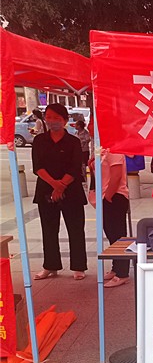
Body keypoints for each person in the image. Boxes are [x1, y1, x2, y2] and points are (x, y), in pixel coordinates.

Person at [32, 103, 88, 280]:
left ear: (64, 120)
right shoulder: (39, 140)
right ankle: (51, 265)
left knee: (76, 228)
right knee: (49, 229)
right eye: (48, 117)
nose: (52, 121)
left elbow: (75, 167)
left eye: (56, 118)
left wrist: (61, 185)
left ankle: (78, 267)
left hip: (71, 191)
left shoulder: (73, 141)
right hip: (45, 190)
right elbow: (37, 167)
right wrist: (54, 185)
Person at [91, 148, 131, 287]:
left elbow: (116, 175)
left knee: (118, 235)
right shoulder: (102, 149)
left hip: (115, 197)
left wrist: (108, 196)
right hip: (104, 196)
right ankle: (116, 267)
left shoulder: (114, 150)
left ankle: (123, 273)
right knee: (111, 235)